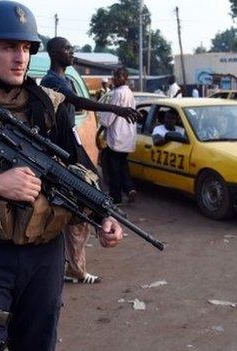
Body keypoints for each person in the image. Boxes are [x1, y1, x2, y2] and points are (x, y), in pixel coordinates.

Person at [0, 3, 124, 350]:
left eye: (27, 48)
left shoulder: (51, 107)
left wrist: (104, 215)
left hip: (45, 257)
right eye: (9, 47)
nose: (21, 58)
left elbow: (82, 171)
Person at [40, 36, 137, 285]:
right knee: (75, 208)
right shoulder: (51, 81)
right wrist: (115, 110)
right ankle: (71, 267)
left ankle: (76, 266)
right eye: (67, 49)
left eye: (72, 48)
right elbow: (76, 102)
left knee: (85, 204)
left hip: (71, 147)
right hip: (60, 150)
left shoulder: (67, 79)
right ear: (53, 53)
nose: (72, 52)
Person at [98, 68, 138, 206]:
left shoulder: (118, 94)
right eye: (114, 76)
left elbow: (109, 116)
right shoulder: (130, 93)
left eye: (118, 76)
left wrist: (100, 130)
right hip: (127, 137)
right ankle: (130, 188)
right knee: (122, 165)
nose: (115, 78)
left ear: (125, 78)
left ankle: (116, 198)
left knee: (113, 169)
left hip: (117, 136)